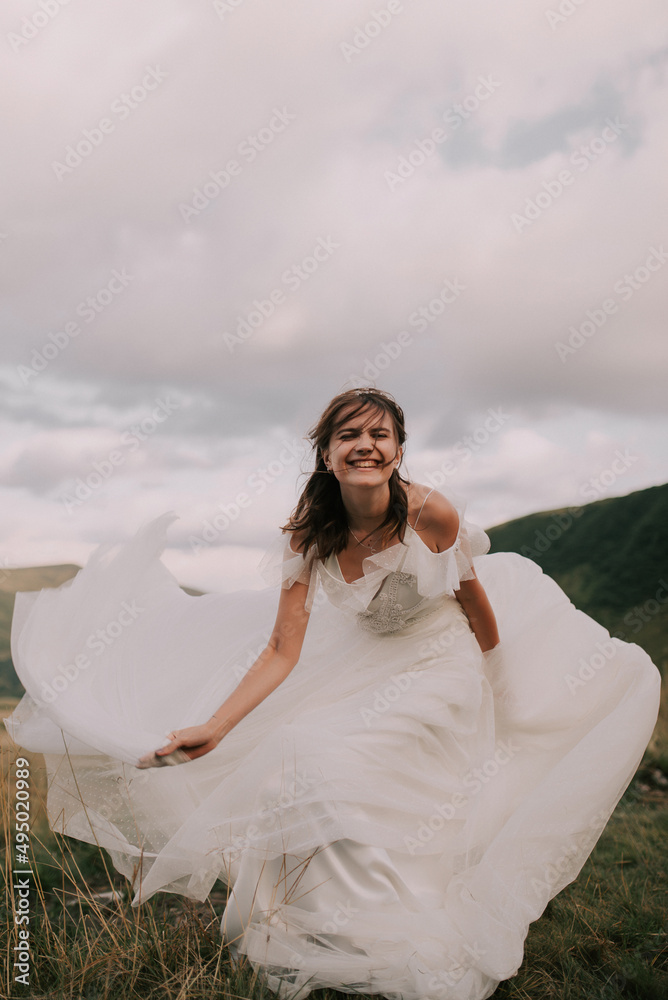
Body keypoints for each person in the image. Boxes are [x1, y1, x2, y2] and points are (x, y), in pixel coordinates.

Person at [5, 387, 661, 1000]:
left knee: (337, 765)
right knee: (294, 759)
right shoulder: (308, 530)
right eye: (350, 434)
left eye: (381, 434)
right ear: (326, 452)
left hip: (443, 664)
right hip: (365, 660)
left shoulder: (432, 513)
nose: (366, 444)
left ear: (399, 451)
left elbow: (475, 603)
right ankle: (342, 928)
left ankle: (397, 927)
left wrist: (504, 690)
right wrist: (217, 726)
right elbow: (282, 651)